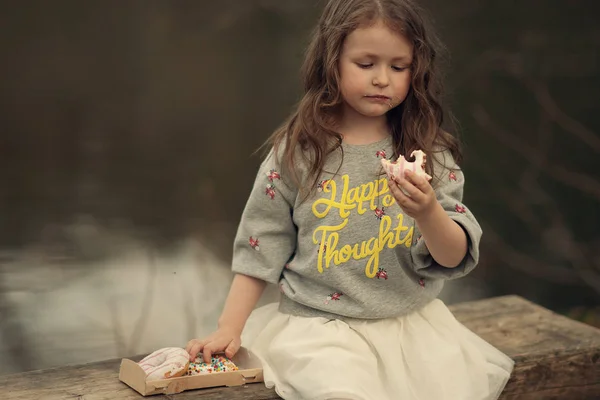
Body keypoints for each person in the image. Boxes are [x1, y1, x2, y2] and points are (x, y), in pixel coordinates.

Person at [186, 0, 514, 398]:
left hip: (411, 329)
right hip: (320, 330)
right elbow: (261, 245)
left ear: (417, 70)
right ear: (332, 62)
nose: (382, 79)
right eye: (365, 64)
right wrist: (228, 328)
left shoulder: (428, 151)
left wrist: (428, 213)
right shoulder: (299, 151)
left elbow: (452, 257)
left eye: (398, 67)